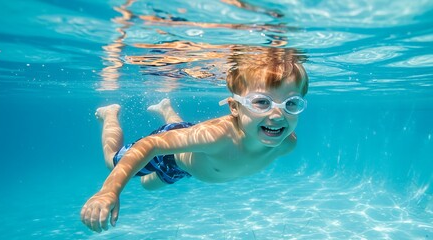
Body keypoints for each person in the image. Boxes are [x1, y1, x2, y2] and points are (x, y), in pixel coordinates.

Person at [80, 47, 309, 232]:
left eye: (291, 104)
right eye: (262, 102)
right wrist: (110, 191)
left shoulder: (287, 144)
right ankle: (110, 114)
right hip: (171, 153)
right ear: (235, 107)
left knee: (148, 186)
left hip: (189, 165)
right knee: (112, 162)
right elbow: (151, 145)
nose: (278, 115)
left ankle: (166, 108)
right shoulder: (217, 136)